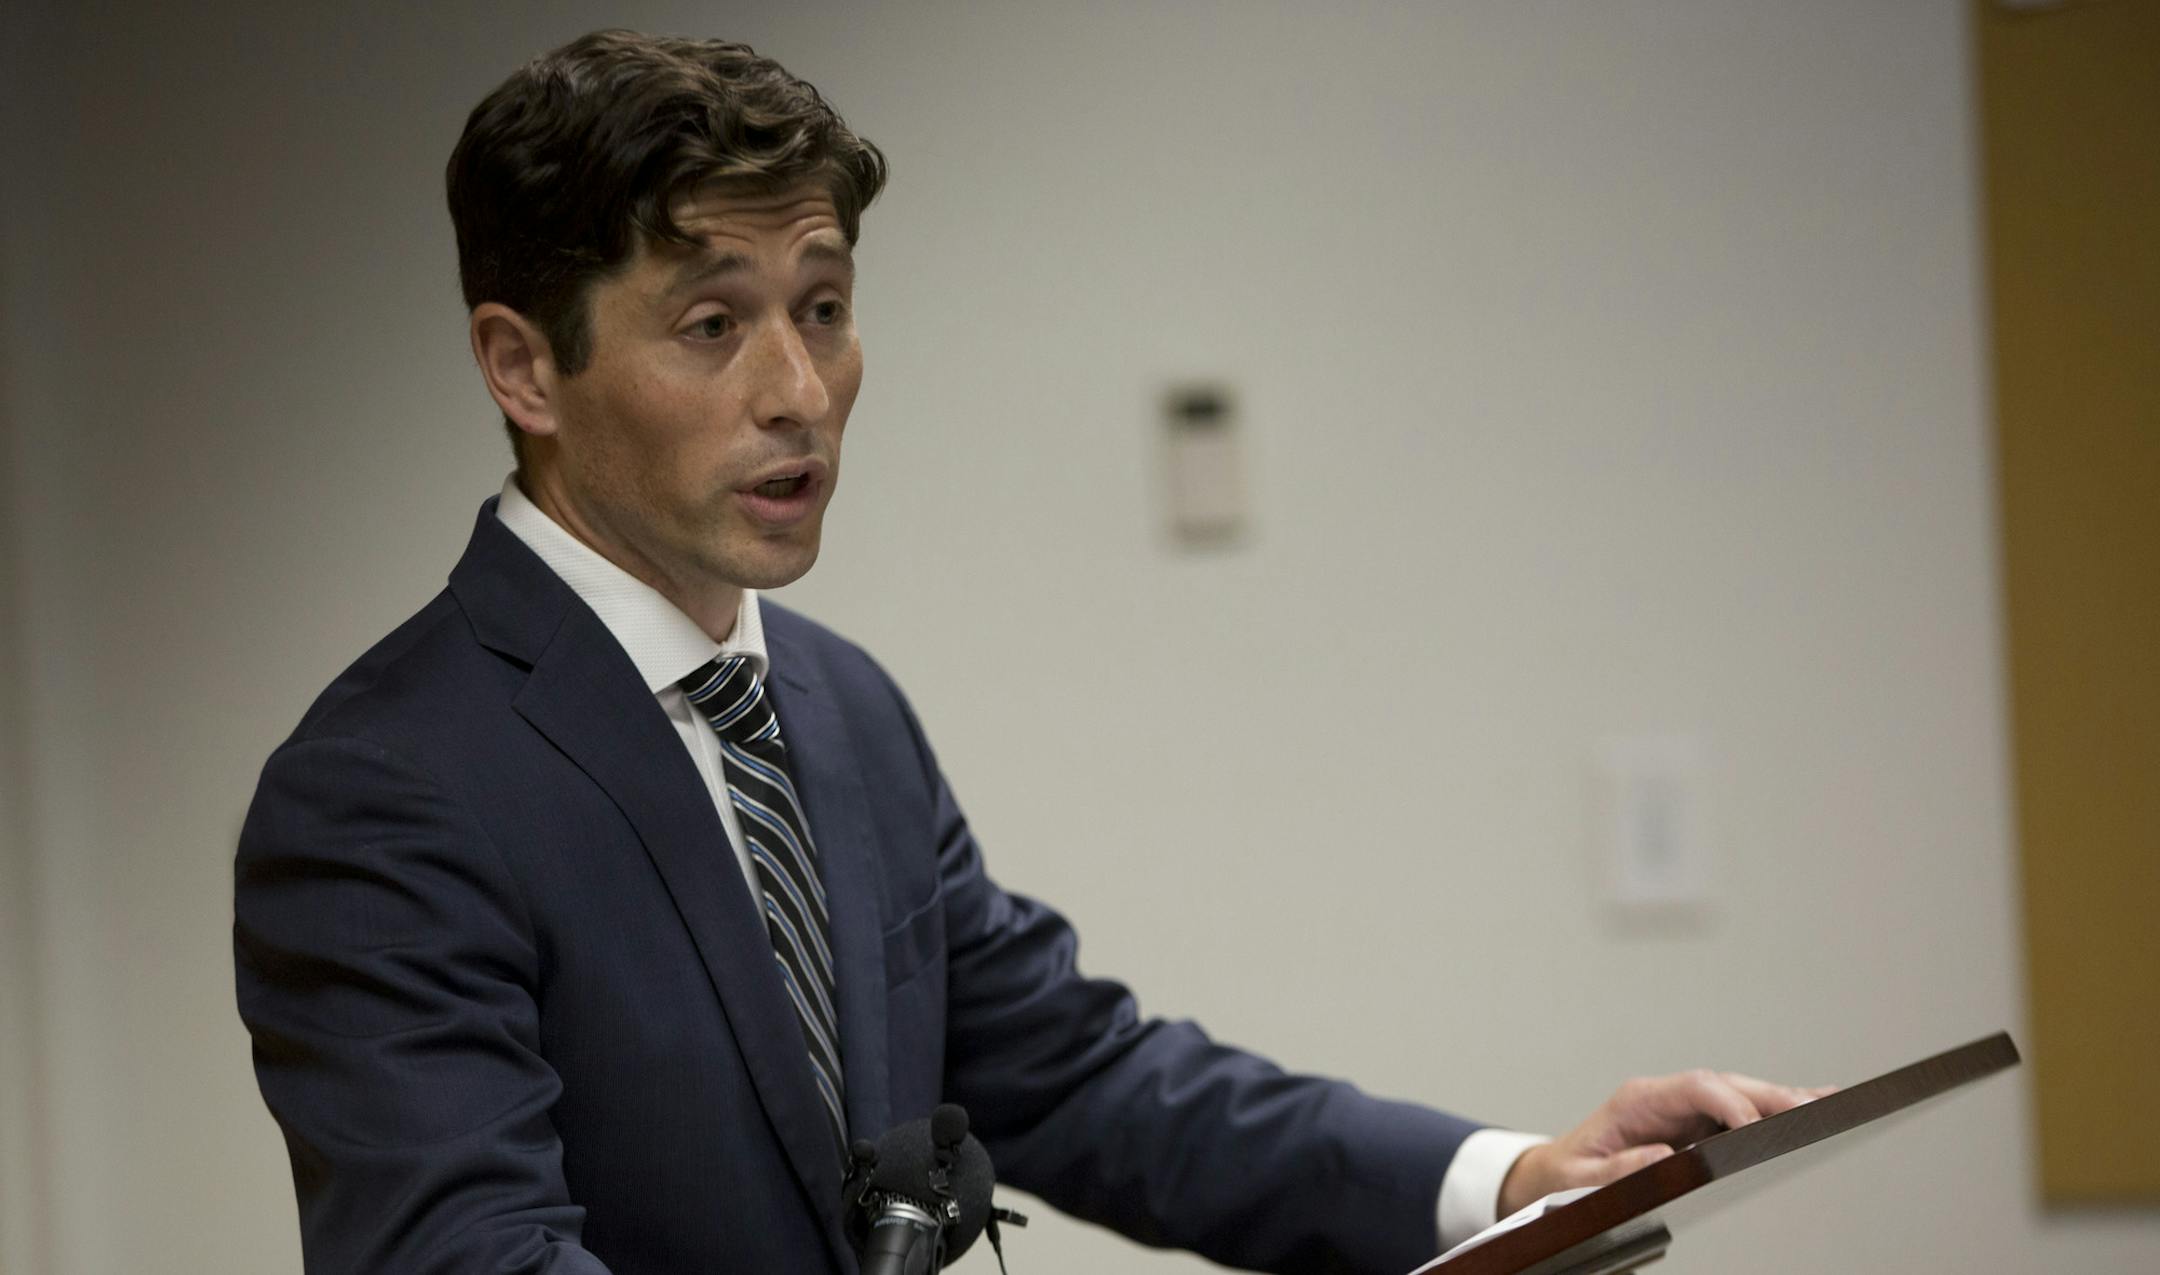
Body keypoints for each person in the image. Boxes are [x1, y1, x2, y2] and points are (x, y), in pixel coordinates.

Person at [232, 29, 1822, 1275]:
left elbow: (1077, 1078)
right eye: (713, 325)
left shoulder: (840, 709)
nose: (801, 389)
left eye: (828, 304)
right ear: (523, 364)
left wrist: (1516, 1182)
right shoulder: (386, 793)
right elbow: (470, 1257)